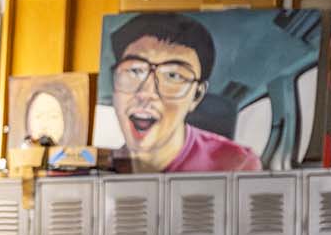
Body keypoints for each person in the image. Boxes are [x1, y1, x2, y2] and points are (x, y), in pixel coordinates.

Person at [108, 12, 261, 173]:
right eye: (134, 70)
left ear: (196, 96)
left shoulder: (237, 164)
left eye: (173, 76)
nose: (147, 93)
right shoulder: (103, 165)